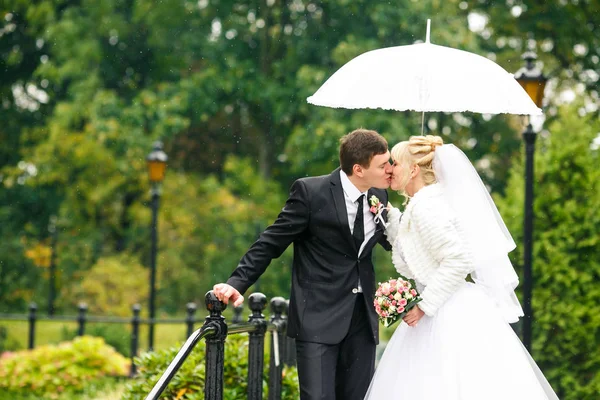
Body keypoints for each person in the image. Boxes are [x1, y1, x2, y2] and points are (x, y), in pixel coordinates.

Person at [364, 135, 559, 400]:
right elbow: (417, 251)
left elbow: (457, 260)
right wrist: (388, 216)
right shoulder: (419, 203)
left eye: (395, 163)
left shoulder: (428, 206)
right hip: (435, 310)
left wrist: (424, 306)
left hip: (447, 312)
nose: (389, 169)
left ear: (413, 170)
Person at [214, 128, 393, 400]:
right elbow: (271, 242)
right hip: (318, 319)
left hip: (363, 323)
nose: (390, 169)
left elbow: (398, 245)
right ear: (358, 168)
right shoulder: (311, 192)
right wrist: (236, 283)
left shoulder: (380, 195)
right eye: (383, 164)